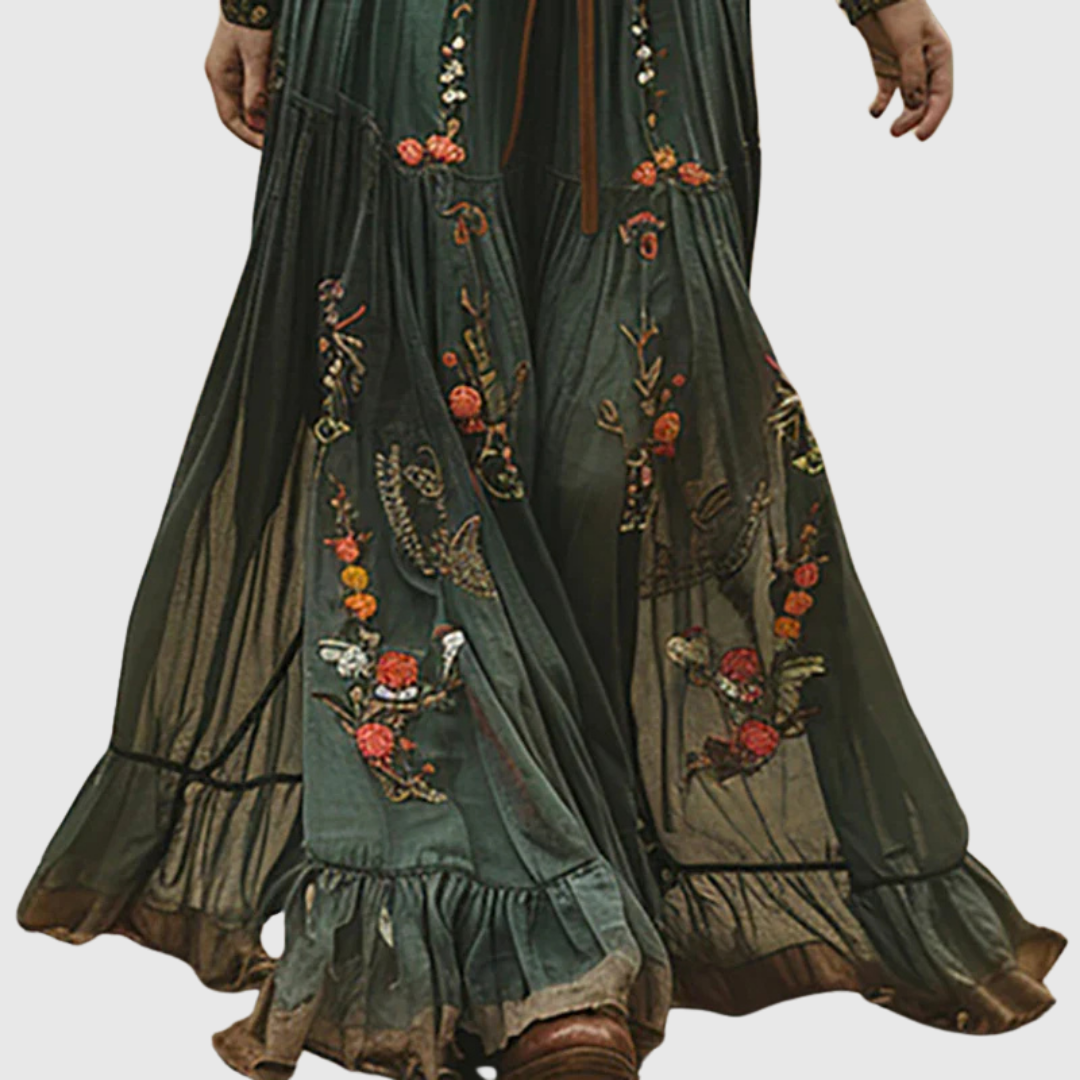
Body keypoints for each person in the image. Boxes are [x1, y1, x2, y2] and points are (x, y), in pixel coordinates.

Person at [16, 3, 1066, 1079]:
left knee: (617, 441)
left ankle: (582, 890)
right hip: (402, 36)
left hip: (649, 35)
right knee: (415, 431)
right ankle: (549, 956)